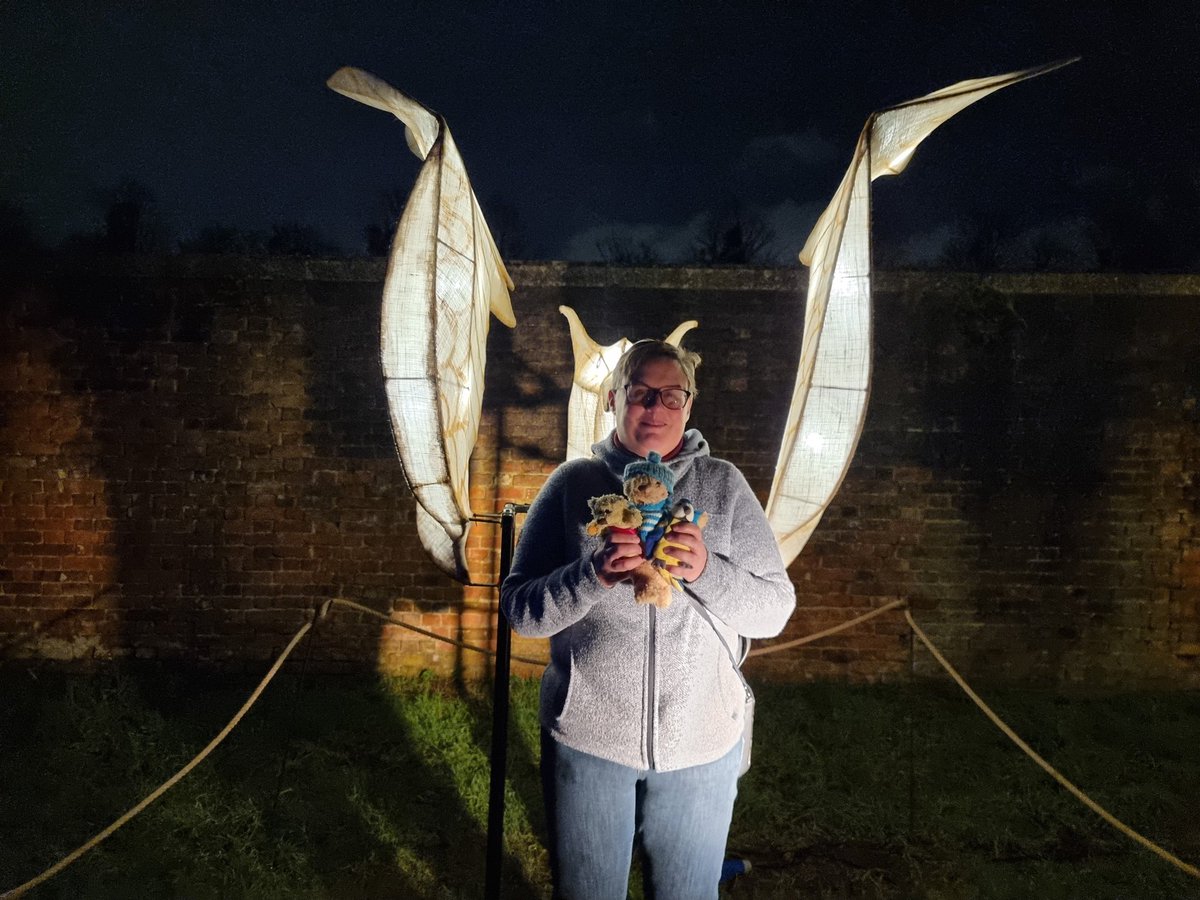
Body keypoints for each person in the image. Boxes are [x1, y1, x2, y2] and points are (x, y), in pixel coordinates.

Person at [500, 338, 795, 900]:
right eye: (640, 393)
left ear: (689, 404)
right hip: (588, 741)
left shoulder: (724, 486)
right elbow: (520, 610)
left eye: (671, 395)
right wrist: (592, 576)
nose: (655, 407)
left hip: (701, 745)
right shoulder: (572, 485)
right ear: (614, 399)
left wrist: (705, 570)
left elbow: (775, 608)